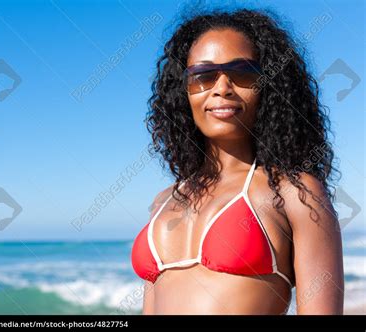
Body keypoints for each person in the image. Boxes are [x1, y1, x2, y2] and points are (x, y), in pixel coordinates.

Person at [131, 8, 344, 315]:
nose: (221, 88)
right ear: (183, 92)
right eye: (203, 76)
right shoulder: (164, 202)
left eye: (242, 73)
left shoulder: (295, 193)